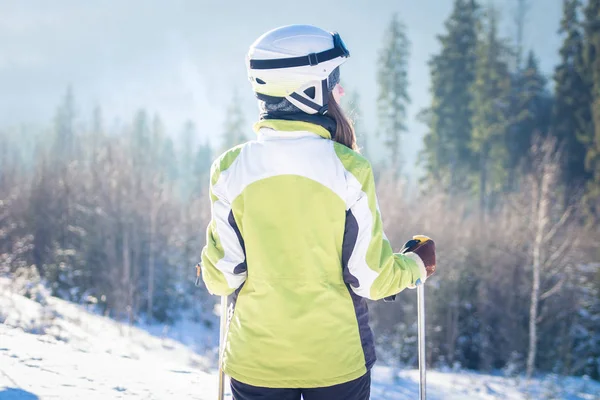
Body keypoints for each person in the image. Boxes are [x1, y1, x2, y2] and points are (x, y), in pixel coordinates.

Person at [199, 24, 436, 400]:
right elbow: (370, 278)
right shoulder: (349, 168)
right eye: (333, 82)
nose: (340, 91)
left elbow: (221, 278)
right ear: (308, 90)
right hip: (334, 363)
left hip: (256, 361)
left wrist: (210, 264)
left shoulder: (229, 169)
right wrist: (416, 266)